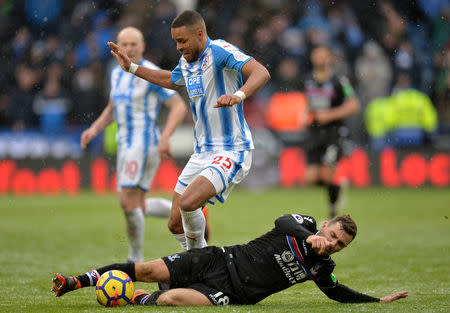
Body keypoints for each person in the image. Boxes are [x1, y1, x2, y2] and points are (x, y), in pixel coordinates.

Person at [107, 10, 271, 251]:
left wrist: (238, 95)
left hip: (231, 149)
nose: (177, 47)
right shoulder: (187, 62)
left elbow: (261, 72)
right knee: (174, 224)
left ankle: (200, 265)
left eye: (182, 41)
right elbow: (170, 80)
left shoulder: (219, 50)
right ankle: (202, 260)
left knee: (190, 203)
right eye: (175, 41)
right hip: (202, 152)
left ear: (200, 34)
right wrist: (132, 68)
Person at [51, 213, 408, 306]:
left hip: (230, 292)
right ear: (327, 226)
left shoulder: (321, 268)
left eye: (339, 246)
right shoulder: (305, 225)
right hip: (218, 259)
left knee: (173, 299)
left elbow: (336, 293)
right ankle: (76, 281)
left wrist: (376, 300)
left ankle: (130, 299)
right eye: (333, 237)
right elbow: (281, 222)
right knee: (145, 269)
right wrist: (310, 237)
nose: (332, 245)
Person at [80, 27, 187, 263]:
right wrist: (94, 129)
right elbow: (112, 108)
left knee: (127, 201)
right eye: (124, 44)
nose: (128, 48)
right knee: (135, 204)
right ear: (116, 46)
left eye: (133, 44)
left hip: (144, 143)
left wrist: (166, 136)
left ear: (143, 46)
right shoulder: (116, 72)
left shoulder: (151, 73)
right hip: (125, 144)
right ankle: (188, 212)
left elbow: (178, 106)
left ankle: (135, 259)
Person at [302, 45, 360, 218]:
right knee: (310, 178)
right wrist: (304, 115)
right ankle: (339, 187)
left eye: (323, 55)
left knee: (328, 174)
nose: (320, 59)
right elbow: (309, 103)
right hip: (315, 132)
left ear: (329, 58)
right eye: (316, 55)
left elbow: (354, 105)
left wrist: (330, 115)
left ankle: (332, 211)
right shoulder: (307, 80)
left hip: (334, 132)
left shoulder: (339, 81)